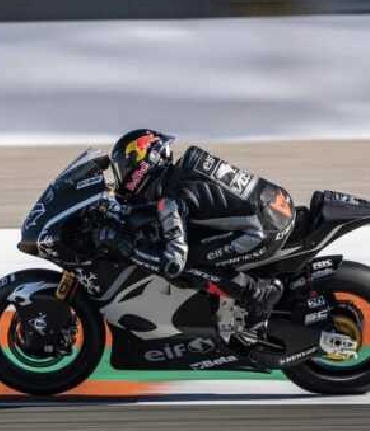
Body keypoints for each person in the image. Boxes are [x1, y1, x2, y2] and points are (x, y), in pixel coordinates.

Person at [93, 129, 296, 342]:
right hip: (276, 203)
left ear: (143, 165)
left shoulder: (171, 200)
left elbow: (174, 263)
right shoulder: (186, 167)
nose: (122, 178)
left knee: (186, 268)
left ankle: (257, 295)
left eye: (124, 170)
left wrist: (128, 248)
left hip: (265, 230)